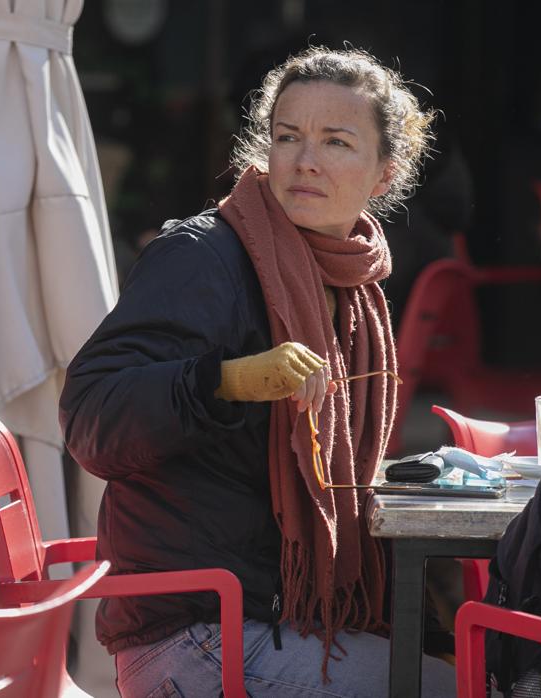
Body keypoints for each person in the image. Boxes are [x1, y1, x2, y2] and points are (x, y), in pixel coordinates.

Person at [59, 46, 455, 697]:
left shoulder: (354, 283)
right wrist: (225, 380)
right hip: (198, 633)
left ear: (384, 174)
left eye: (335, 141)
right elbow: (90, 420)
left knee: (488, 667)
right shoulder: (202, 257)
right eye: (288, 137)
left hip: (286, 619)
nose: (304, 160)